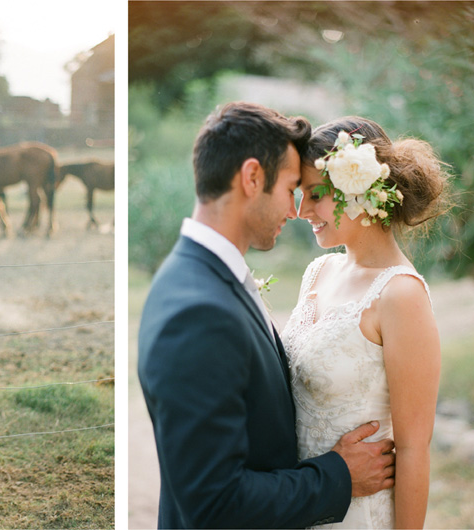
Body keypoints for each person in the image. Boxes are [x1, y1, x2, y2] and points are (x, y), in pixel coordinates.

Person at [137, 102, 396, 529]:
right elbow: (214, 505)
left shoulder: (209, 277)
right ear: (252, 178)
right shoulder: (198, 312)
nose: (295, 211)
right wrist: (339, 475)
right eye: (291, 187)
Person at [284, 116, 448, 529]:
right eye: (300, 194)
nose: (301, 211)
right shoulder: (318, 272)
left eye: (315, 194)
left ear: (359, 188)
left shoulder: (401, 295)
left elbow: (413, 449)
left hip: (358, 515)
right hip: (303, 498)